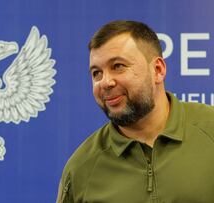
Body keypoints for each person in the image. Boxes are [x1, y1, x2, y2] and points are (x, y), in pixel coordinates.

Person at [56, 20, 214, 203]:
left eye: (118, 66)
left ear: (158, 70)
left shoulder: (209, 129)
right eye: (96, 73)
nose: (105, 82)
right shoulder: (81, 169)